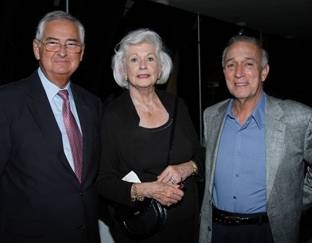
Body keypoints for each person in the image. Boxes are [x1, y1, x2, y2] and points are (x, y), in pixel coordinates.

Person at [0, 10, 102, 242]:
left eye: (72, 44)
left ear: (82, 52)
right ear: (37, 48)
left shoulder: (92, 105)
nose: (63, 52)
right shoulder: (7, 102)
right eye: (53, 43)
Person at [198, 35, 312, 243]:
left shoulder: (299, 117)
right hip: (217, 231)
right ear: (224, 72)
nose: (239, 73)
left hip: (269, 233)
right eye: (231, 65)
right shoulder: (210, 116)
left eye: (248, 64)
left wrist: (294, 202)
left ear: (264, 72)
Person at [96, 28, 203, 243]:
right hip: (142, 227)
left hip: (186, 227)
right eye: (134, 59)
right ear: (124, 70)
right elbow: (102, 180)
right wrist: (147, 190)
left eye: (150, 58)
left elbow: (201, 155)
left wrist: (185, 168)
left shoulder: (177, 105)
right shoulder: (112, 115)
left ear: (161, 66)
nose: (143, 66)